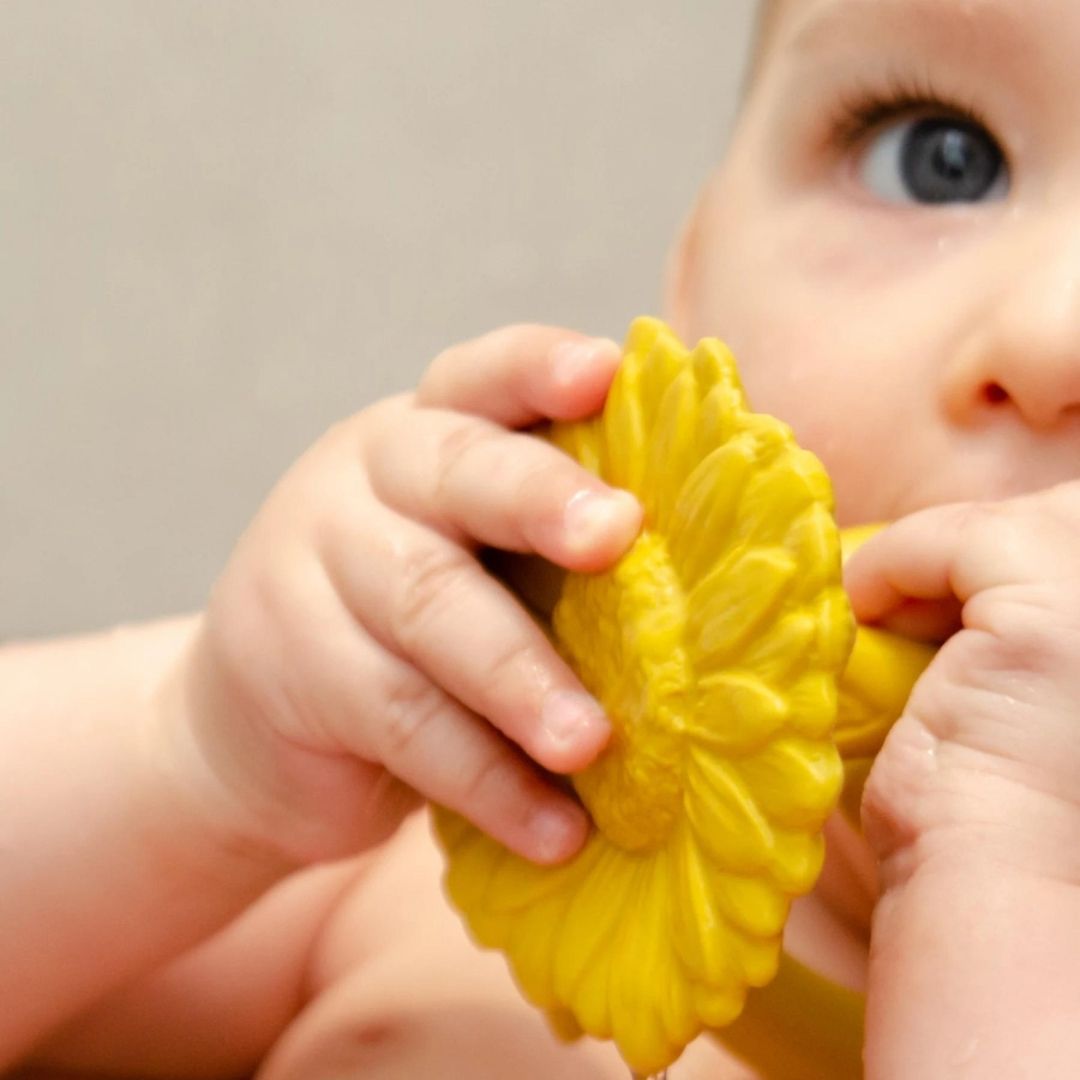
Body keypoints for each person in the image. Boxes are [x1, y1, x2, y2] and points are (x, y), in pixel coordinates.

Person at [6, 0, 1080, 1075]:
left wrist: (1016, 892)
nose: (1050, 332)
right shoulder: (439, 844)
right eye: (941, 158)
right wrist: (188, 763)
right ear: (693, 278)